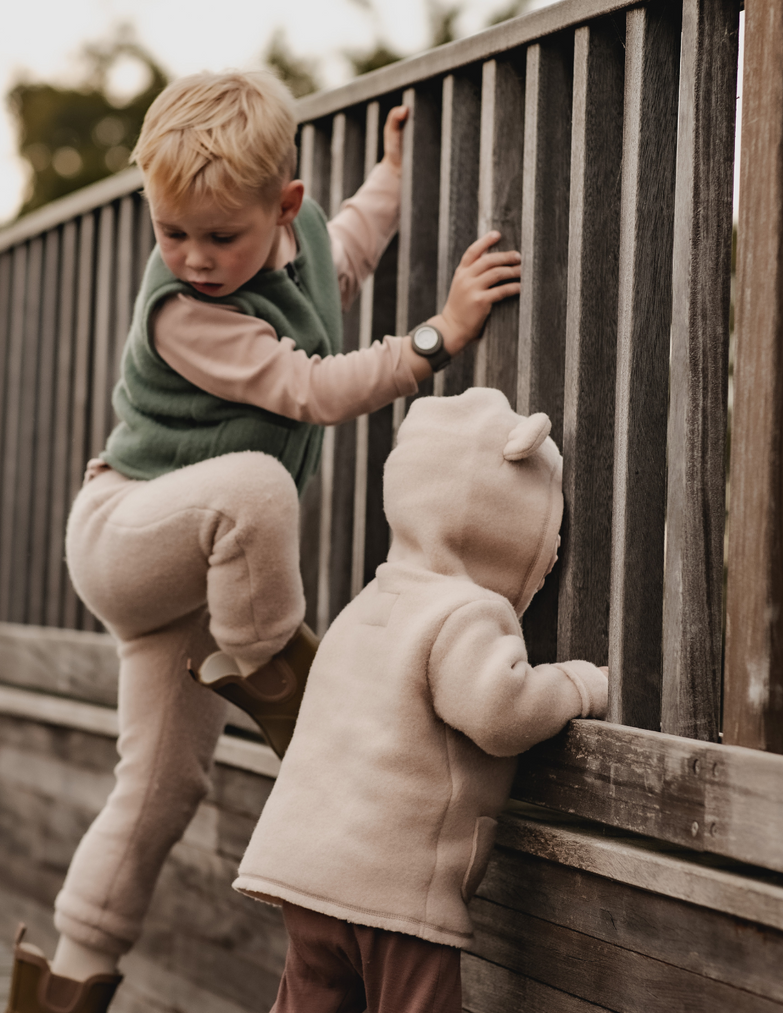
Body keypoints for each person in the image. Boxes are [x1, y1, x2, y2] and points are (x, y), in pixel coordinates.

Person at [3, 70, 522, 1013]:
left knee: (158, 793)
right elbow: (313, 389)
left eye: (219, 235)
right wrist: (439, 335)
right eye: (171, 232)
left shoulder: (300, 235)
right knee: (256, 483)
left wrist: (394, 174)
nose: (194, 257)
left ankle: (61, 990)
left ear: (284, 207)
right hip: (130, 533)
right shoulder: (184, 313)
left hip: (200, 585)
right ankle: (287, 687)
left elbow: (347, 247)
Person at [234, 388, 610, 1013]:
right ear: (505, 521)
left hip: (304, 877)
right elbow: (500, 711)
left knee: (310, 999)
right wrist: (577, 685)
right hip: (392, 893)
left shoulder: (367, 606)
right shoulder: (464, 613)